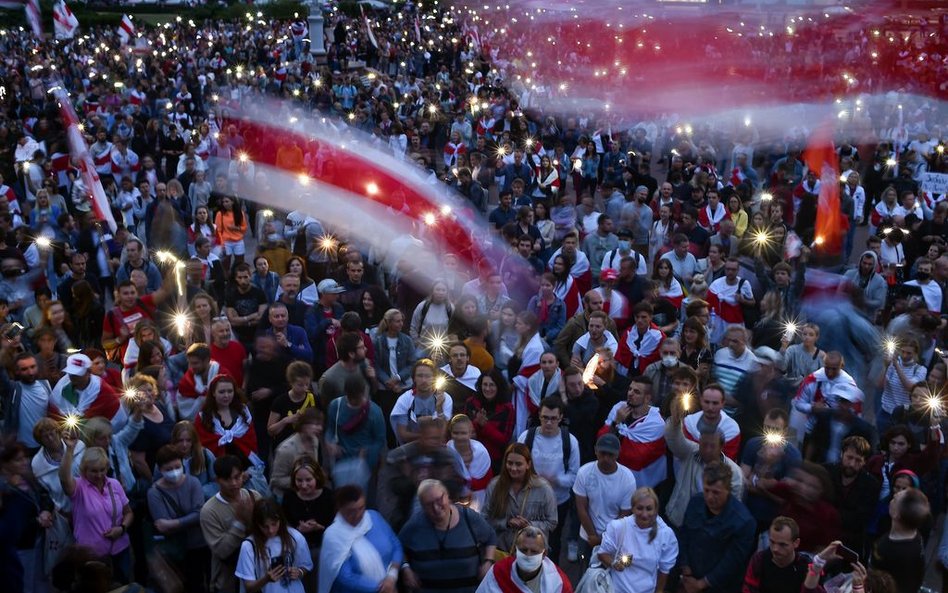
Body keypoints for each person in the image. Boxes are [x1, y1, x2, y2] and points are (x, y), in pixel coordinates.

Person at [399, 479, 498, 593]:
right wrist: (405, 568)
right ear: (422, 506)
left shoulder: (468, 517)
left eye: (439, 500)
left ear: (447, 496)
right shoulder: (415, 524)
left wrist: (488, 561)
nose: (436, 508)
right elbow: (397, 547)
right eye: (429, 504)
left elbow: (491, 537)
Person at [58, 437, 134, 584]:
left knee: (123, 584)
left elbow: (128, 512)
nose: (99, 475)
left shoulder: (114, 484)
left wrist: (122, 528)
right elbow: (64, 479)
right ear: (84, 470)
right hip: (91, 554)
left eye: (102, 470)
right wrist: (69, 450)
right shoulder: (79, 487)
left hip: (120, 549)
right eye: (93, 471)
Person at [516, 396, 579, 563]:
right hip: (529, 499)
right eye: (545, 418)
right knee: (526, 538)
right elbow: (514, 467)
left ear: (560, 418)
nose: (549, 422)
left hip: (558, 502)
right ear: (539, 416)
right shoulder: (526, 438)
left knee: (554, 542)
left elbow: (574, 476)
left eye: (553, 418)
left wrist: (556, 480)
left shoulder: (570, 442)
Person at [664, 395, 744, 528]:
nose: (707, 450)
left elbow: (733, 507)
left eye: (712, 446)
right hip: (679, 521)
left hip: (710, 529)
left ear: (721, 447)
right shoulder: (691, 452)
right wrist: (675, 421)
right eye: (703, 444)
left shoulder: (734, 473)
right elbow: (674, 439)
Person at [678, 462, 756, 593]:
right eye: (707, 490)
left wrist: (701, 584)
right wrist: (687, 573)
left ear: (728, 490)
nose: (709, 497)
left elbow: (732, 563)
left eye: (716, 492)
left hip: (720, 587)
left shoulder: (744, 522)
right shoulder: (695, 503)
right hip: (689, 579)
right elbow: (684, 536)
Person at [318, 484, 403, 593]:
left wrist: (392, 576)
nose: (358, 514)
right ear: (340, 509)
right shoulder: (333, 535)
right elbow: (345, 576)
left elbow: (395, 544)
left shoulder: (374, 517)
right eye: (351, 511)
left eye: (361, 508)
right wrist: (382, 588)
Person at [146, 444, 209, 593]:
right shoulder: (154, 492)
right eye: (168, 469)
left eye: (177, 466)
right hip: (174, 550)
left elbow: (200, 513)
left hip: (198, 545)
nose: (174, 472)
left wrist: (174, 523)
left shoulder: (193, 482)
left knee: (198, 584)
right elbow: (162, 525)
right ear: (160, 470)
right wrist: (189, 519)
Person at [201, 454, 263, 593]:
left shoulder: (254, 497)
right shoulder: (209, 511)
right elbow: (221, 551)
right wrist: (240, 522)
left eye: (237, 477)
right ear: (217, 480)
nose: (234, 483)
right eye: (227, 479)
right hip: (228, 582)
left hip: (259, 577)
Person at [597, 487, 678, 593]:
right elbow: (602, 554)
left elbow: (664, 569)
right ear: (633, 508)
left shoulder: (666, 535)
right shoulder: (618, 527)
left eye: (649, 509)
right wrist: (614, 563)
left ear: (656, 509)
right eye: (640, 508)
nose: (644, 514)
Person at [481, 443, 558, 552]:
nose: (513, 468)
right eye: (510, 463)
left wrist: (529, 525)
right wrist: (506, 523)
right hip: (501, 550)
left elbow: (552, 522)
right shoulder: (494, 486)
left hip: (531, 551)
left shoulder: (543, 488)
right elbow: (485, 518)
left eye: (518, 464)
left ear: (528, 464)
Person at [0, 439, 54, 593]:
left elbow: (44, 495)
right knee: (25, 583)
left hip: (38, 539)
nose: (24, 462)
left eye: (25, 458)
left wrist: (46, 511)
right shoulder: (5, 489)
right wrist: (37, 522)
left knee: (40, 580)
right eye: (18, 460)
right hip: (21, 546)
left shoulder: (27, 477)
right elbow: (11, 523)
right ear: (5, 463)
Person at [573, 433, 637, 564]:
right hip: (587, 536)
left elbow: (624, 515)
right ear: (596, 451)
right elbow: (581, 508)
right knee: (585, 577)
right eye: (602, 453)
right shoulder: (584, 472)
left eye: (610, 455)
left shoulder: (628, 478)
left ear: (618, 454)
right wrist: (592, 536)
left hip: (615, 538)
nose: (606, 458)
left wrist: (602, 539)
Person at [598, 377, 668, 488]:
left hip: (642, 483)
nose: (630, 393)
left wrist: (616, 443)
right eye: (630, 389)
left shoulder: (655, 423)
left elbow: (636, 457)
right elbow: (601, 441)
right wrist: (616, 422)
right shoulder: (618, 408)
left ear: (647, 398)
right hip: (614, 478)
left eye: (636, 392)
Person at [236, 498, 314, 593]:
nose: (271, 530)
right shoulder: (249, 546)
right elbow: (248, 587)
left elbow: (306, 565)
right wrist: (266, 579)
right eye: (265, 526)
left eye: (274, 524)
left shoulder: (295, 537)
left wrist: (299, 572)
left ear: (280, 520)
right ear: (257, 524)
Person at [281, 456, 335, 586]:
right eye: (299, 480)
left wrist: (320, 527)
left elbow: (336, 526)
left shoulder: (329, 496)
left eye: (308, 480)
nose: (304, 485)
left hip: (322, 550)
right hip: (297, 551)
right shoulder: (289, 496)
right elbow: (283, 523)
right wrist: (298, 530)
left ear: (317, 477)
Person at [824, 436, 881, 558]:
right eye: (849, 457)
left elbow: (860, 519)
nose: (852, 464)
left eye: (858, 460)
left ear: (864, 461)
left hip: (850, 544)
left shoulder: (871, 485)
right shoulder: (826, 472)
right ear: (841, 454)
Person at [742, 517, 832, 593]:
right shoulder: (759, 559)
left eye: (782, 545)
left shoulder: (807, 565)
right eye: (772, 542)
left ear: (796, 543)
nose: (775, 549)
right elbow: (748, 589)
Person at [324, 375, 387, 478]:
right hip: (341, 460)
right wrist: (329, 443)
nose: (353, 401)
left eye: (357, 398)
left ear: (364, 393)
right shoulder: (335, 406)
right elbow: (330, 429)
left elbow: (380, 440)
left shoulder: (375, 412)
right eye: (350, 398)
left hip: (365, 464)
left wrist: (369, 451)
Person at [871, 488, 930, 593]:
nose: (892, 499)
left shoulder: (889, 548)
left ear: (896, 514)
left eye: (895, 499)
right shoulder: (916, 536)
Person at [193, 374, 260, 462]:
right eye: (222, 392)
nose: (226, 395)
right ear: (213, 393)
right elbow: (201, 445)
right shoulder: (203, 417)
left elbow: (251, 442)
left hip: (243, 465)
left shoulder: (244, 413)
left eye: (230, 391)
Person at [271, 409, 325, 500]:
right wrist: (301, 481)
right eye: (315, 424)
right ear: (303, 425)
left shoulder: (314, 440)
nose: (320, 428)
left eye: (320, 425)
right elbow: (276, 480)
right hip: (285, 497)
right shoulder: (286, 450)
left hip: (305, 493)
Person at [448, 414, 494, 511]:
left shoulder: (481, 452)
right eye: (455, 433)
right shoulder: (448, 449)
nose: (459, 437)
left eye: (463, 433)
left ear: (470, 433)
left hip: (478, 498)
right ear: (450, 433)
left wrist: (466, 482)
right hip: (452, 499)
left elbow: (487, 480)